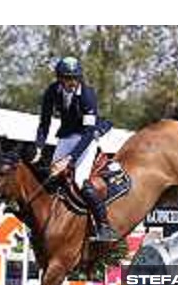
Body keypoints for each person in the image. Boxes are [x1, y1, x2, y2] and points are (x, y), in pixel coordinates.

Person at [33, 56, 117, 241]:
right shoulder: (52, 91)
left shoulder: (87, 95)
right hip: (65, 136)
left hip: (85, 138)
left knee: (80, 181)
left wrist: (70, 159)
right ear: (59, 78)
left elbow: (88, 132)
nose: (71, 82)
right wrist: (39, 147)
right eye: (67, 78)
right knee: (51, 176)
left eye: (74, 78)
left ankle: (104, 226)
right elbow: (44, 122)